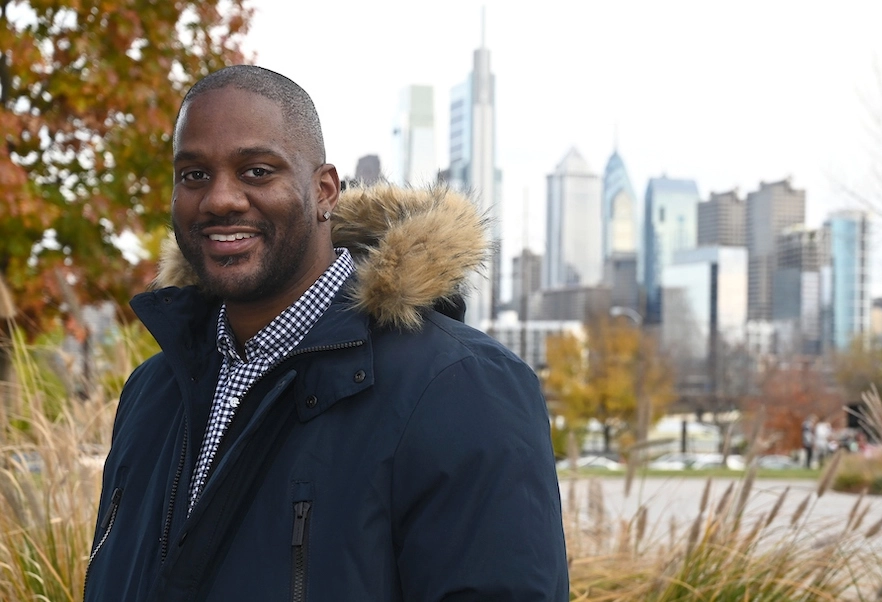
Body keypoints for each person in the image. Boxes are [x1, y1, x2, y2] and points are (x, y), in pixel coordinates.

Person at [84, 65, 568, 601]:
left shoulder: (462, 387)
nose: (220, 199)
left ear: (324, 192)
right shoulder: (152, 391)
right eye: (194, 175)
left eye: (257, 171)